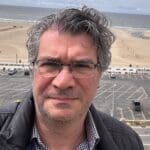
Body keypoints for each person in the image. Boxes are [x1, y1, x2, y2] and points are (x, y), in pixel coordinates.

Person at [0, 6, 144, 150]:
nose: (63, 82)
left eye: (81, 66)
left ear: (100, 75)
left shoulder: (128, 143)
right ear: (33, 71)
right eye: (50, 64)